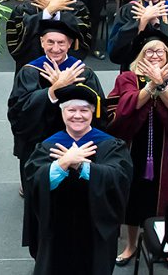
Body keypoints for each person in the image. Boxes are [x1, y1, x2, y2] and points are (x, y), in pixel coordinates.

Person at [22, 83, 132, 274]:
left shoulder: (109, 145)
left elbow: (119, 177)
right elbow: (34, 181)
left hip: (95, 228)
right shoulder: (49, 145)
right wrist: (62, 164)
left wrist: (82, 165)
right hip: (57, 228)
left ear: (92, 113)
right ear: (62, 112)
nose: (77, 115)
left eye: (84, 110)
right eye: (71, 109)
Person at [107, 33, 168, 265]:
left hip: (164, 150)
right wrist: (152, 84)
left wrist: (161, 85)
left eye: (160, 51)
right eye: (149, 51)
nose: (154, 55)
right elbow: (120, 110)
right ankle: (131, 244)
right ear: (141, 56)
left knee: (165, 197)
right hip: (133, 146)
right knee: (133, 197)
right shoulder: (127, 78)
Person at [8, 20, 104, 186]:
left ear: (69, 44)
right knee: (39, 189)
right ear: (42, 42)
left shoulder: (82, 72)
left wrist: (69, 88)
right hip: (38, 138)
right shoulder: (30, 71)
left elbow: (97, 106)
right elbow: (19, 110)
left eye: (61, 43)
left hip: (74, 138)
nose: (55, 48)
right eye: (50, 42)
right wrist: (53, 90)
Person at [5, 0, 91, 69]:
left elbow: (83, 35)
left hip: (67, 70)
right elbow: (16, 40)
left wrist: (56, 13)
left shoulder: (76, 6)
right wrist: (48, 12)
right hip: (33, 71)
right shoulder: (23, 8)